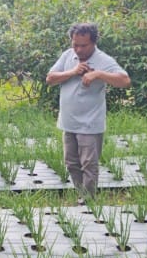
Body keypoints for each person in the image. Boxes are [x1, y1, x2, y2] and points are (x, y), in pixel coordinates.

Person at [46, 23, 131, 202]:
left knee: (88, 164)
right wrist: (72, 71)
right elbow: (50, 78)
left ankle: (89, 198)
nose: (78, 49)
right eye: (75, 44)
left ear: (93, 43)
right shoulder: (68, 56)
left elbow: (124, 81)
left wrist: (98, 74)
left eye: (83, 45)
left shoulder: (104, 60)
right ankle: (81, 194)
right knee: (71, 163)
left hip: (90, 123)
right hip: (68, 122)